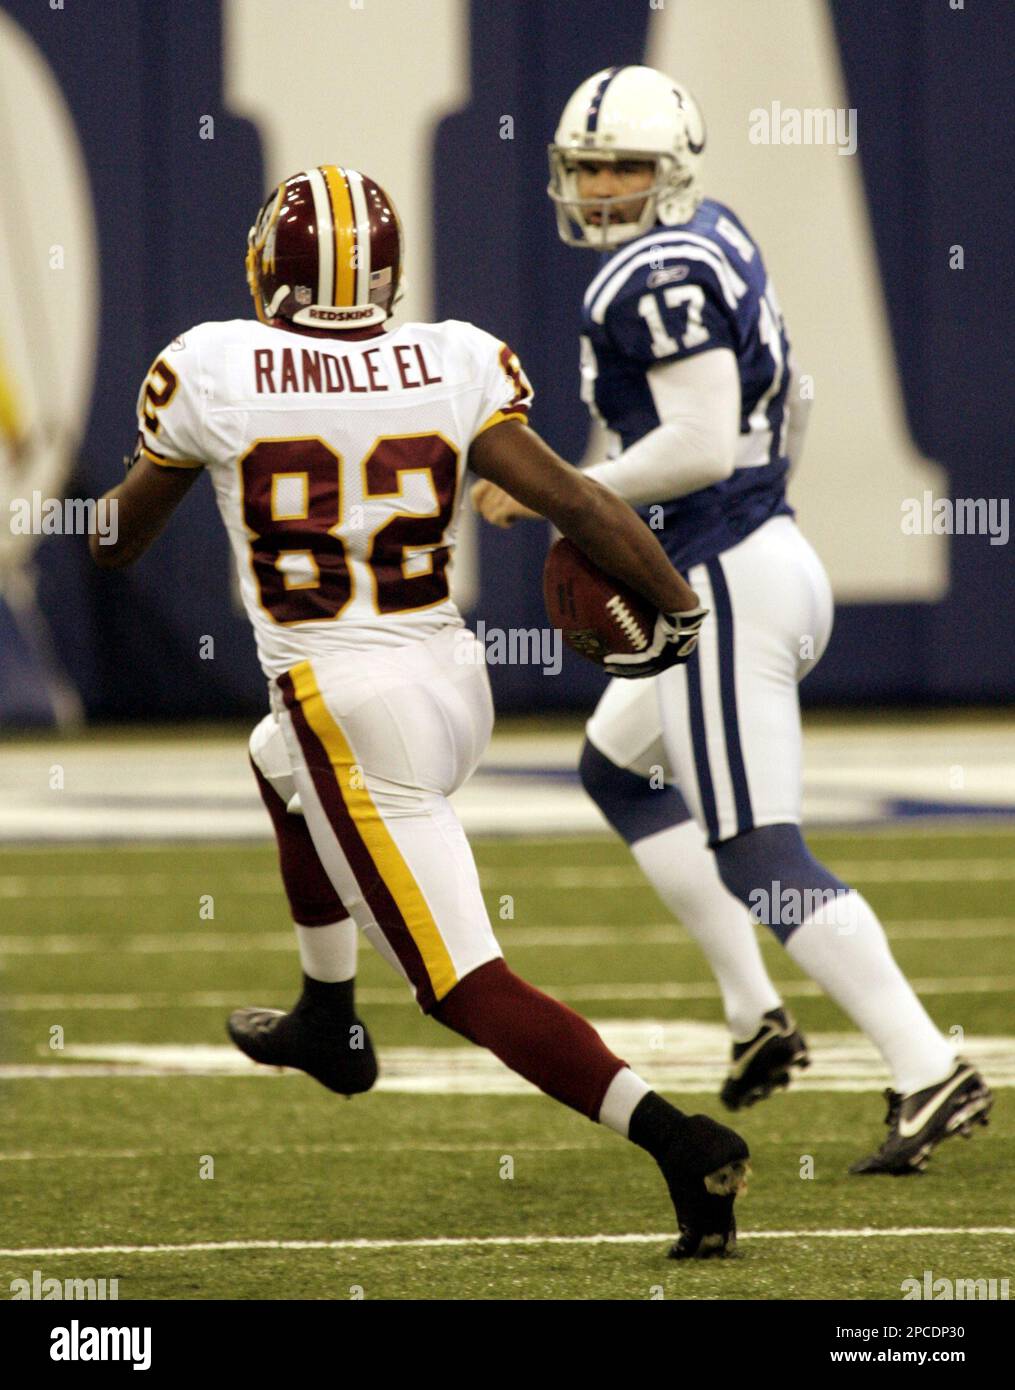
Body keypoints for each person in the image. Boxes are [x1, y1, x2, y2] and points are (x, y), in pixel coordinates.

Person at [90, 164, 748, 1257]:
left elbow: (117, 545)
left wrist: (115, 500)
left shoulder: (210, 368)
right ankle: (327, 1014)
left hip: (349, 705)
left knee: (461, 982)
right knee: (271, 755)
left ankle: (680, 1143)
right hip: (451, 682)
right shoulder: (451, 357)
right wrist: (676, 610)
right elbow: (580, 500)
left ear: (267, 267)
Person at [472, 67, 992, 1174]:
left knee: (759, 847)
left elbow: (704, 443)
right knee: (619, 769)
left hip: (716, 585)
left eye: (626, 167)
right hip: (753, 558)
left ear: (673, 171)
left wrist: (564, 486)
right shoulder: (715, 235)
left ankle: (922, 1063)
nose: (605, 187)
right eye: (591, 166)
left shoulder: (654, 273)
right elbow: (790, 398)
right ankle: (756, 1008)